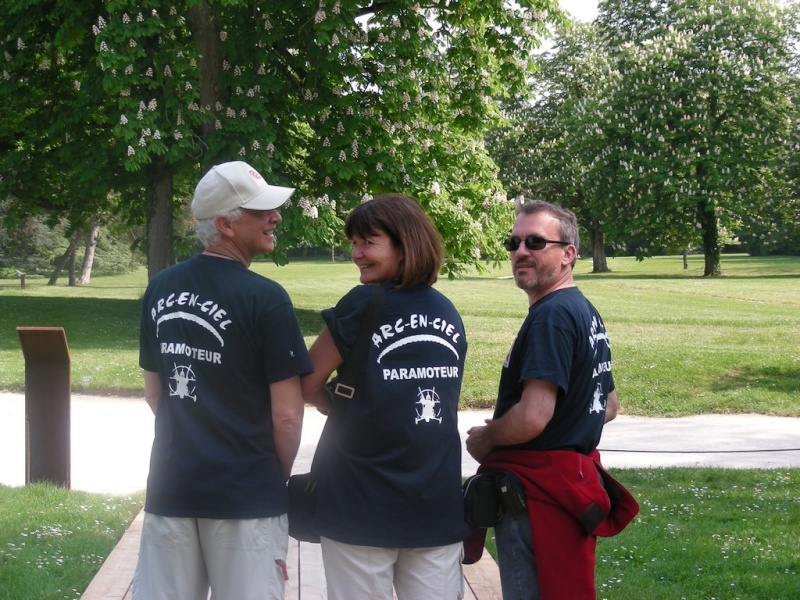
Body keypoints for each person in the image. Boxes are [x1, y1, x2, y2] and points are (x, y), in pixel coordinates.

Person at [135, 161, 313, 600]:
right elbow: (288, 415)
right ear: (225, 225)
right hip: (246, 500)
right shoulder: (266, 299)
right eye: (262, 211)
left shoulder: (160, 288)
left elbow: (155, 392)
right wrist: (273, 479)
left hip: (171, 490)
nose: (276, 217)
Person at [465, 199, 638, 600]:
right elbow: (606, 406)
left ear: (568, 254)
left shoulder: (552, 316)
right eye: (514, 242)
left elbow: (533, 417)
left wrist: (487, 440)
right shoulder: (584, 310)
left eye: (536, 242)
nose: (521, 251)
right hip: (571, 488)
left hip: (538, 497)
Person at [301, 193, 469, 600]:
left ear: (403, 244)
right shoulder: (446, 310)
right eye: (354, 243)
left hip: (362, 500)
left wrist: (333, 404)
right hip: (432, 497)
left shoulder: (363, 304)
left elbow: (306, 380)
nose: (356, 254)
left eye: (368, 242)